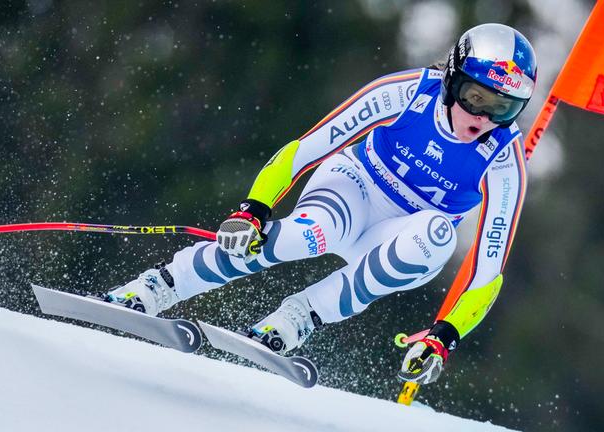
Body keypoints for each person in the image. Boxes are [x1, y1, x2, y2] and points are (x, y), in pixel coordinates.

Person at [106, 23, 537, 385]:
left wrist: (444, 337)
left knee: (439, 238)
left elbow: (489, 272)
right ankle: (158, 286)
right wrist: (253, 210)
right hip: (355, 187)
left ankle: (296, 318)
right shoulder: (407, 93)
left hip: (398, 236)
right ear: (452, 80)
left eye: (503, 109)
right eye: (475, 98)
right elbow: (305, 150)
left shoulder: (504, 159)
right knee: (310, 235)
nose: (483, 119)